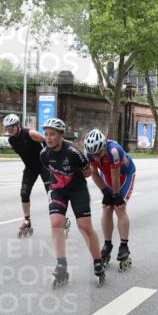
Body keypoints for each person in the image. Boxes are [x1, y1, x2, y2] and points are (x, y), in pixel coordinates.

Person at [39, 118, 105, 287]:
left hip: (77, 189)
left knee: (84, 226)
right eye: (46, 134)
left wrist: (72, 173)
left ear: (61, 135)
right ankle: (61, 265)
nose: (49, 138)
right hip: (59, 189)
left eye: (52, 134)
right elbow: (50, 171)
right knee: (56, 222)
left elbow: (88, 172)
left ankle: (98, 261)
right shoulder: (44, 154)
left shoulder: (73, 152)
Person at [3, 113, 69, 238]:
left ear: (18, 125)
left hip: (43, 166)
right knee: (24, 193)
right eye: (7, 128)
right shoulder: (11, 140)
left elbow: (46, 141)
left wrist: (49, 159)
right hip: (30, 168)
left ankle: (62, 221)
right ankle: (27, 221)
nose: (9, 130)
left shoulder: (30, 133)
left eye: (11, 127)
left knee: (52, 195)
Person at [83, 129, 135, 271]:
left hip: (124, 174)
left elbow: (116, 176)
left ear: (104, 146)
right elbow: (94, 174)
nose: (96, 156)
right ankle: (107, 244)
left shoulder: (113, 151)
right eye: (93, 154)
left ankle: (124, 245)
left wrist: (117, 196)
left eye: (98, 153)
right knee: (106, 208)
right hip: (107, 174)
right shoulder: (89, 153)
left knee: (119, 207)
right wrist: (105, 192)